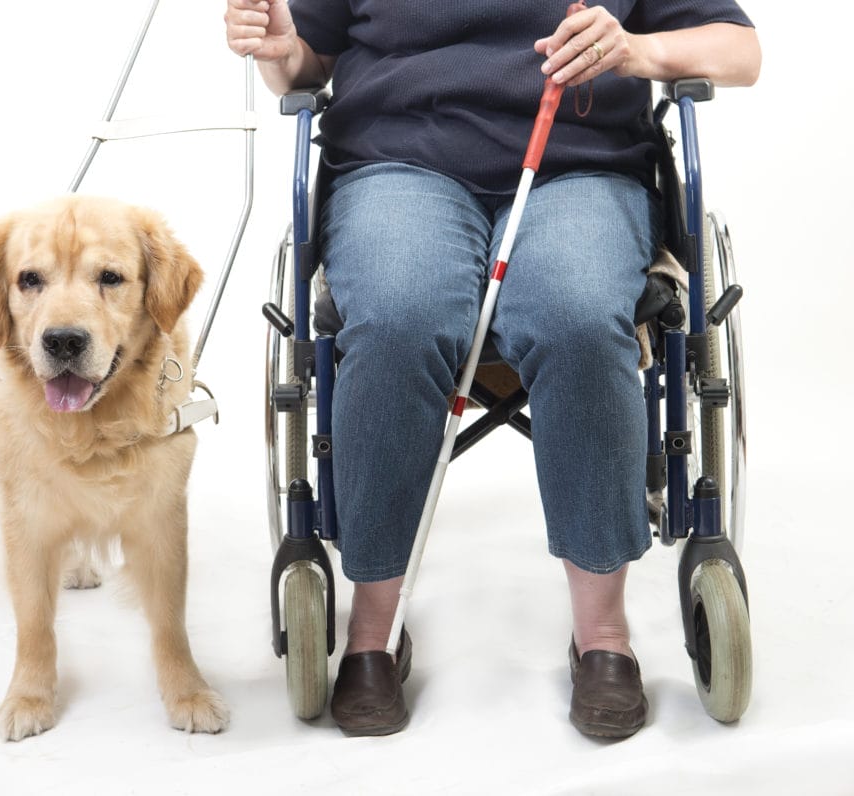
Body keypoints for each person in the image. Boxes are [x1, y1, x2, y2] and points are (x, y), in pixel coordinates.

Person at [225, 0, 760, 739]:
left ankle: (603, 636)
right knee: (400, 315)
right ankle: (373, 632)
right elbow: (308, 59)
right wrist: (282, 52)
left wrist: (635, 52)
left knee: (575, 315)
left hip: (579, 169)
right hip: (398, 163)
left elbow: (741, 52)